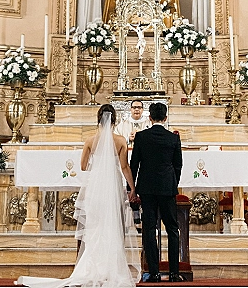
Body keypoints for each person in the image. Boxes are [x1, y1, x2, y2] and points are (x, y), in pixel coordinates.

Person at [19, 104, 140, 288]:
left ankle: (92, 268)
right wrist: (132, 189)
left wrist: (98, 165)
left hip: (96, 187)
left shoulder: (90, 141)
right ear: (114, 120)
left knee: (95, 225)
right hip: (113, 185)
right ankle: (111, 268)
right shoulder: (121, 140)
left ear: (98, 119)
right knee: (113, 224)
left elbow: (83, 167)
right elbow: (124, 167)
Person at [130, 102, 183, 282]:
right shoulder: (173, 138)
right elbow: (178, 165)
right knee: (173, 229)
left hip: (147, 188)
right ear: (165, 118)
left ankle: (154, 273)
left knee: (149, 229)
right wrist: (172, 182)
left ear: (150, 118)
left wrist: (133, 189)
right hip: (167, 188)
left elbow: (134, 164)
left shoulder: (141, 137)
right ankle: (175, 273)